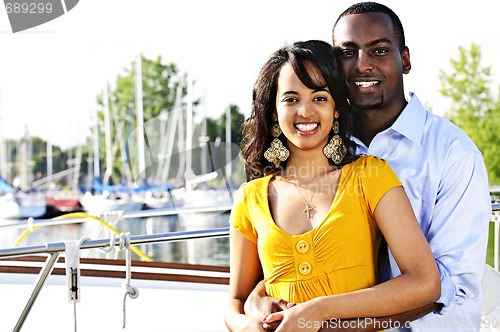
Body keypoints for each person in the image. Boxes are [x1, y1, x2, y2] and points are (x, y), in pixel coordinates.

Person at [244, 2, 492, 331]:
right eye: (347, 53)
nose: (362, 66)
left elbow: (448, 290)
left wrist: (326, 322)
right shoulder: (316, 146)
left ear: (404, 59)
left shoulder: (454, 154)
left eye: (379, 50)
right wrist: (255, 300)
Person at [224, 39, 440, 332]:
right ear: (274, 111)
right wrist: (247, 326)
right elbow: (235, 301)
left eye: (319, 98)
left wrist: (318, 310)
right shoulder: (250, 198)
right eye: (290, 99)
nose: (305, 111)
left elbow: (425, 282)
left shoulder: (370, 176)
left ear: (337, 108)